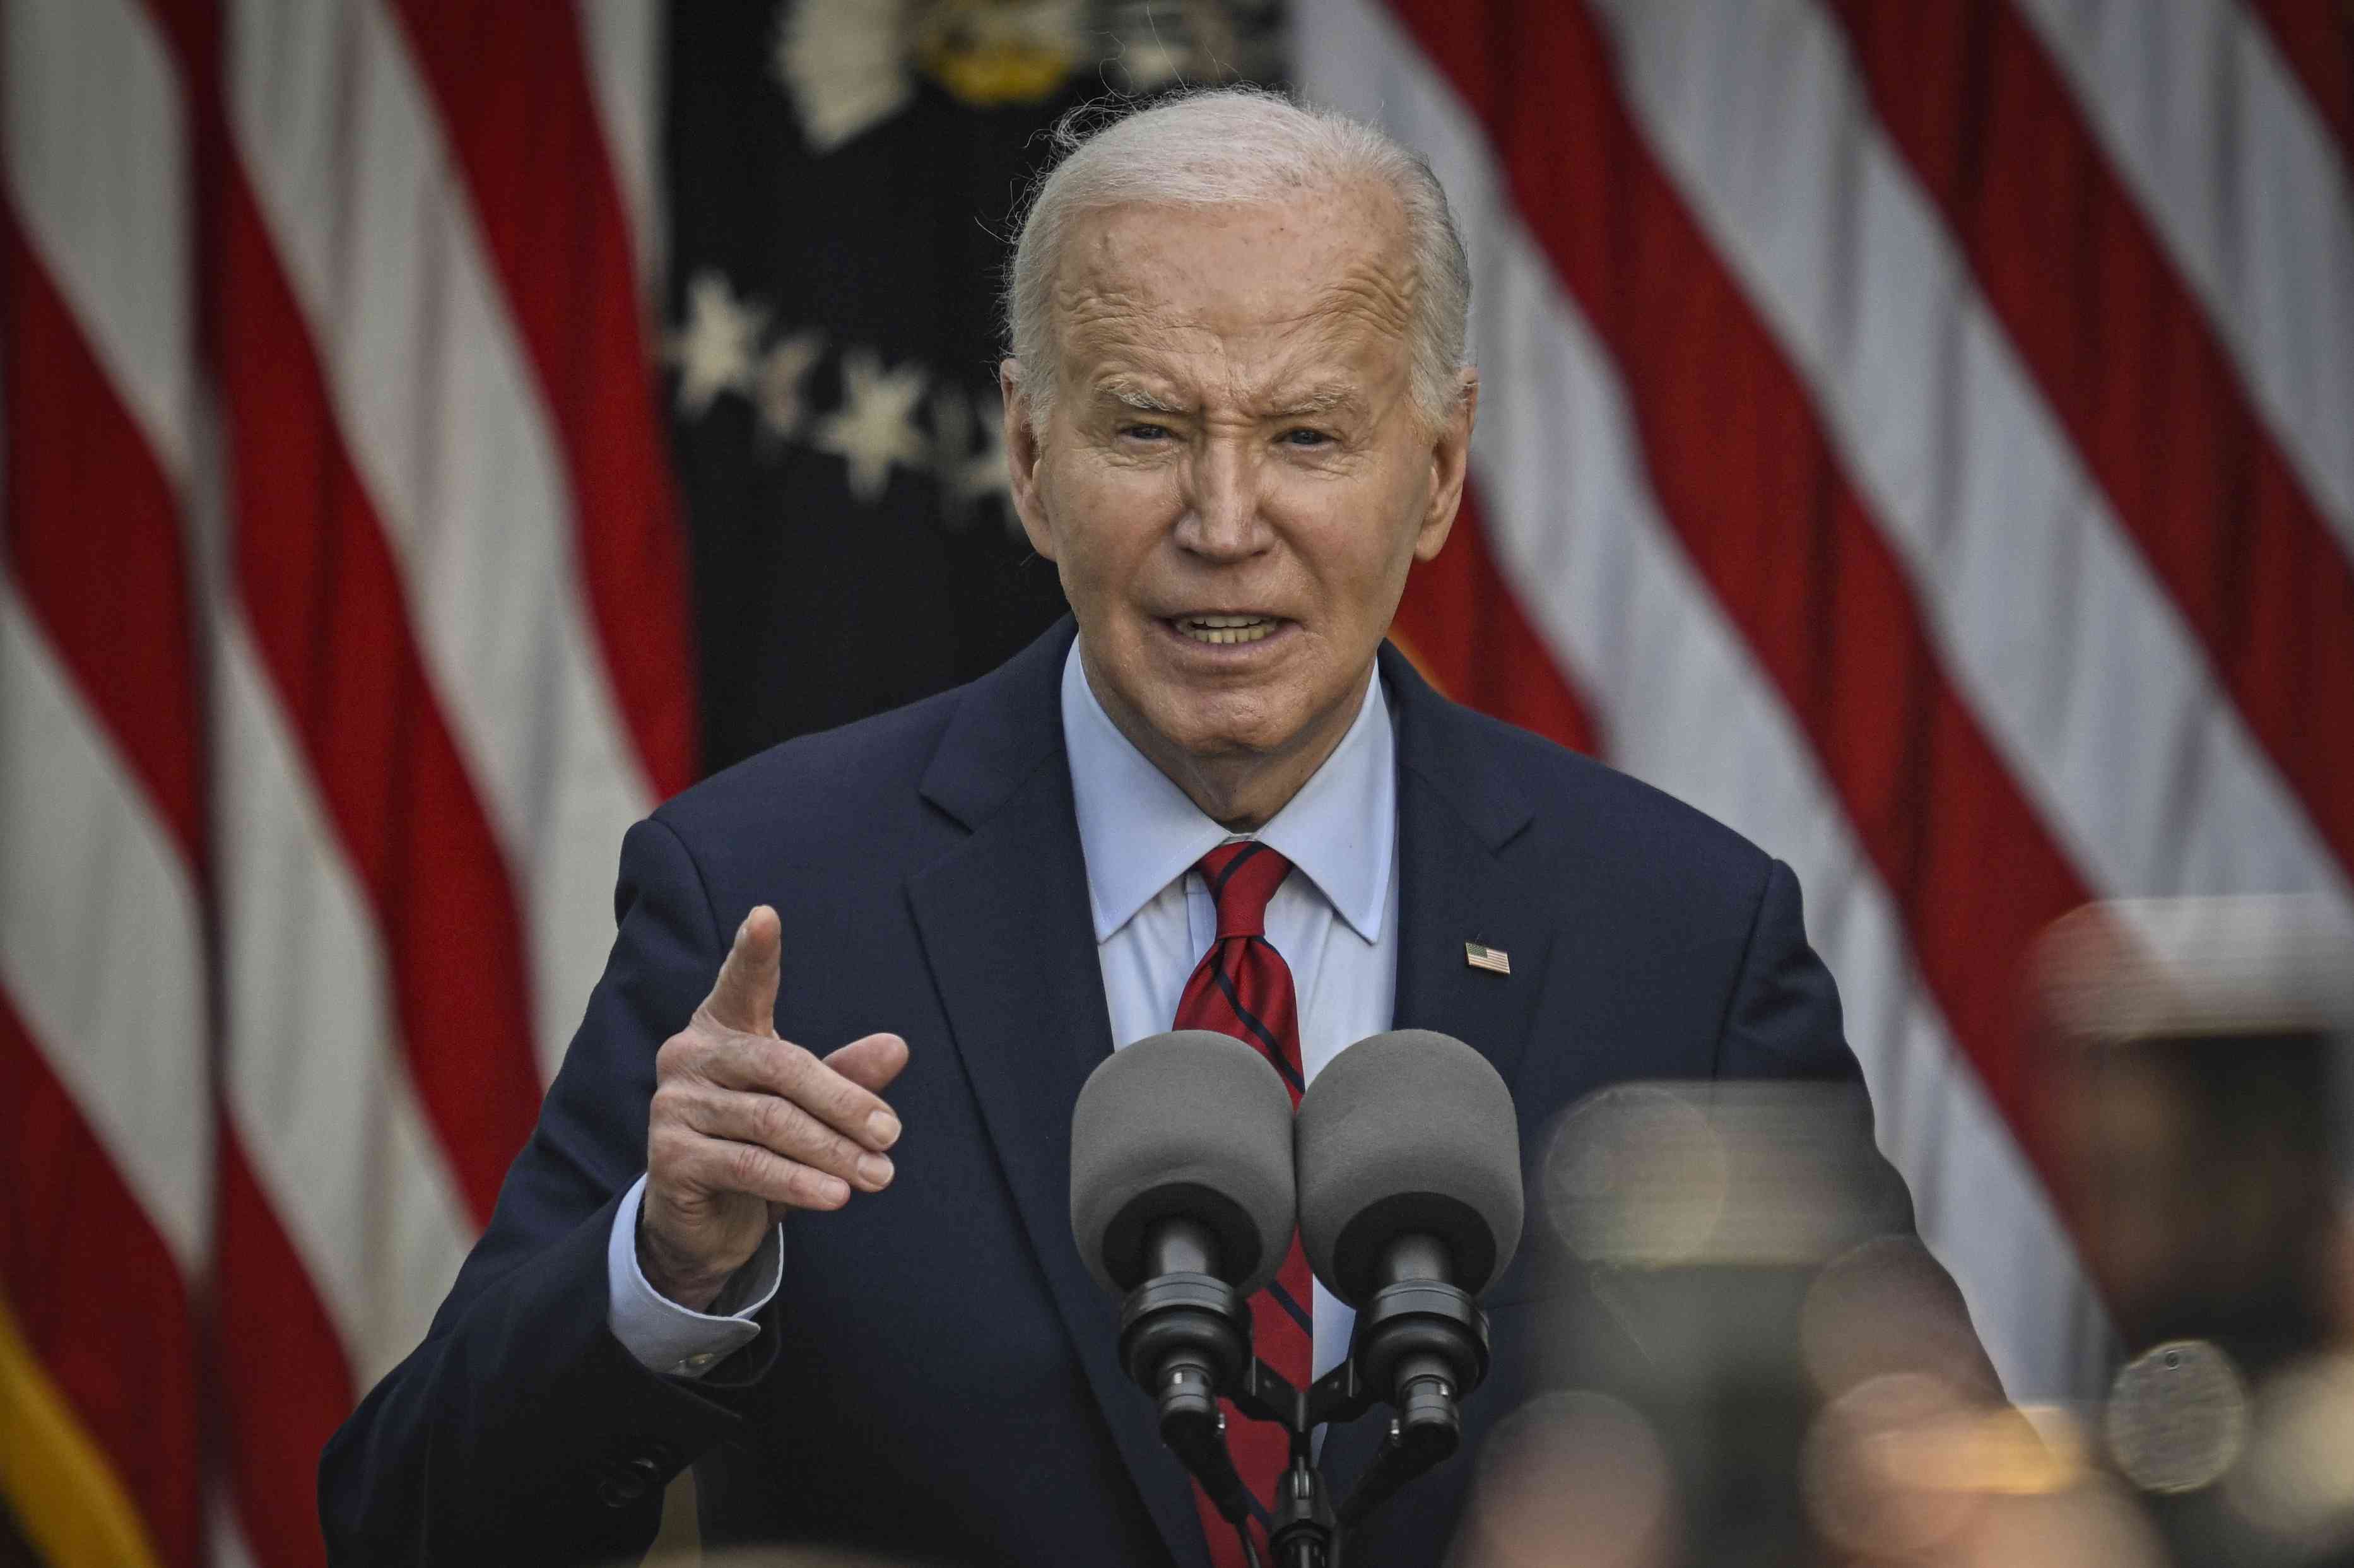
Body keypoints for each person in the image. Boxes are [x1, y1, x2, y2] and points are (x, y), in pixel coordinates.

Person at [321, 88, 1967, 1566]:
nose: (1225, 524)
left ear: (1442, 469)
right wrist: (671, 1269)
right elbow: (407, 1525)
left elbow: (1911, 1492)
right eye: (1146, 430)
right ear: (1031, 463)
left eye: (1308, 434)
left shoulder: (1677, 935)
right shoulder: (770, 901)